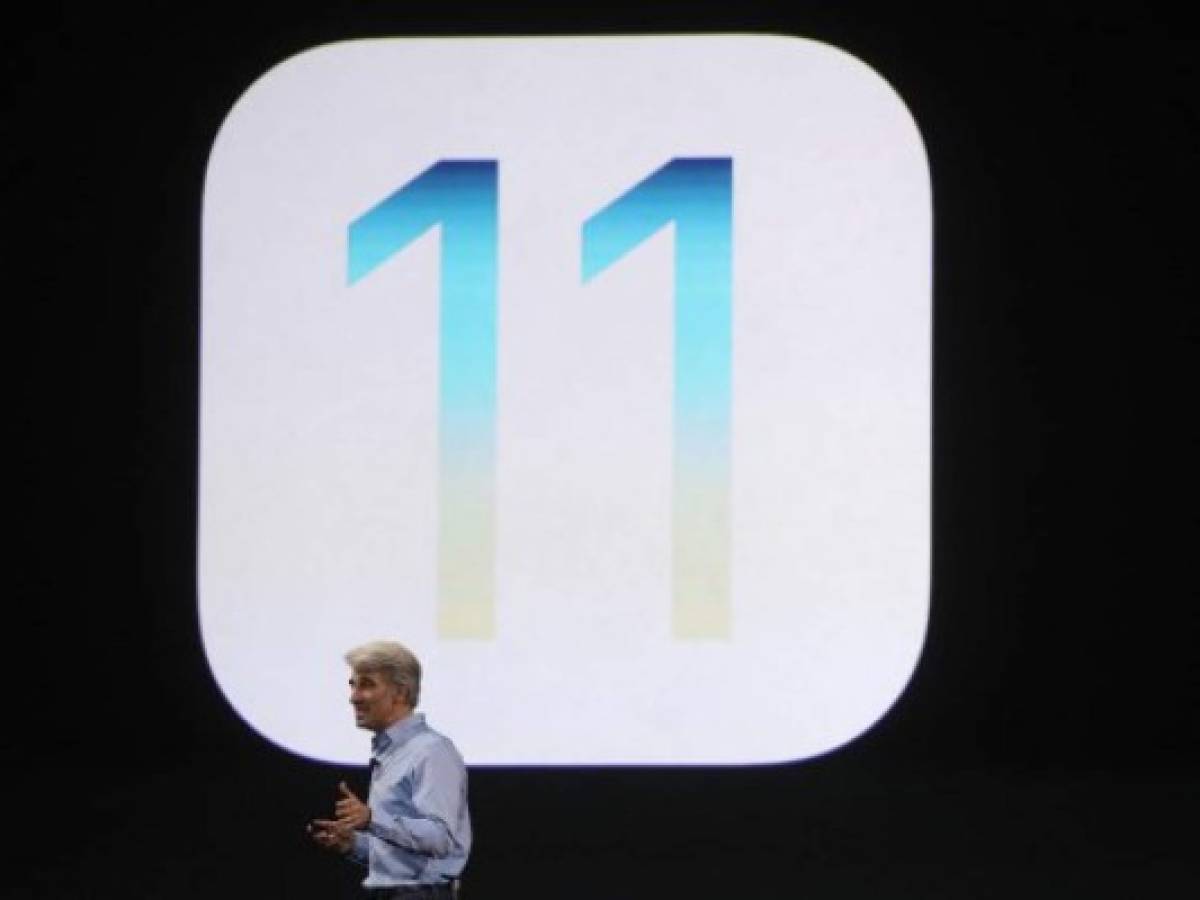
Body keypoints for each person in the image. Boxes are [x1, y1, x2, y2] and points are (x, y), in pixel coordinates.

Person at [310, 640, 472, 898]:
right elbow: (404, 859)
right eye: (353, 685)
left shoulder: (430, 751)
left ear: (400, 693)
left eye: (367, 685)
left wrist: (372, 819)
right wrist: (353, 844)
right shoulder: (391, 752)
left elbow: (441, 839)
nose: (353, 697)